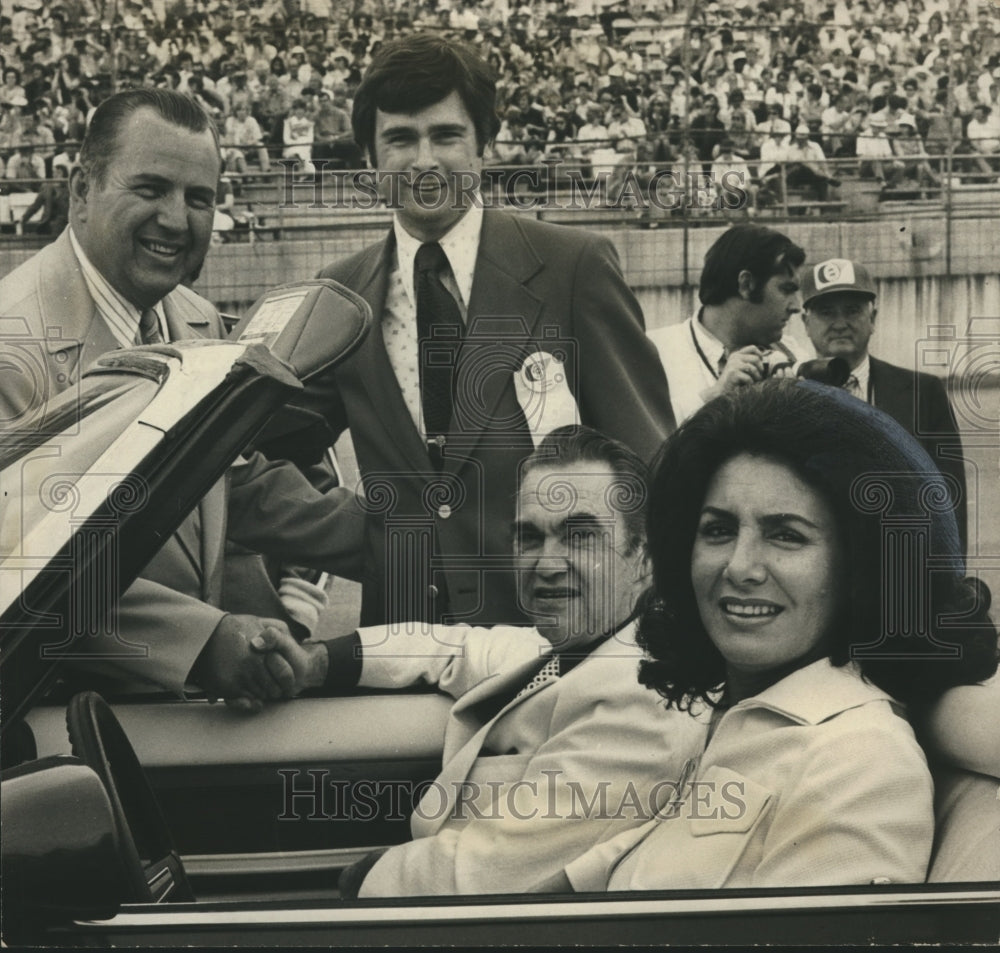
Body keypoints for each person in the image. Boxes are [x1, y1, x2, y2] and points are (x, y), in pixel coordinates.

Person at [531, 381, 997, 892]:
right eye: (718, 530)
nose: (739, 566)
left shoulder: (858, 761)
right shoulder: (732, 714)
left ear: (861, 568)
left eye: (786, 535)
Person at [286, 34, 674, 628]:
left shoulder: (573, 267)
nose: (424, 160)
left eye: (446, 135)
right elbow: (263, 448)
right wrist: (369, 536)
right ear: (370, 158)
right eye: (400, 139)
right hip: (404, 641)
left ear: (484, 146)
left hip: (558, 640)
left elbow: (649, 465)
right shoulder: (341, 295)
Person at [0, 88, 367, 710]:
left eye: (199, 198)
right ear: (82, 189)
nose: (176, 219)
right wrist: (199, 642)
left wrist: (403, 544)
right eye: (151, 189)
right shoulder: (12, 340)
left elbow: (231, 482)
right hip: (48, 718)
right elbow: (16, 560)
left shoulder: (194, 316)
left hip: (176, 717)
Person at [254, 426, 705, 897]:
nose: (547, 564)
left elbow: (489, 869)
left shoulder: (645, 705)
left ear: (645, 560)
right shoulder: (587, 646)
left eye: (580, 537)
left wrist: (364, 880)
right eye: (530, 537)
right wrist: (316, 662)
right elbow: (454, 648)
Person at [799, 257, 967, 548]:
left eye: (852, 311)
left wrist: (950, 571)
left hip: (900, 559)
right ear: (806, 324)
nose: (840, 324)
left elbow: (949, 497)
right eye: (826, 312)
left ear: (873, 318)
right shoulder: (787, 396)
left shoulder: (923, 393)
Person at [647, 224, 806, 425]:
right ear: (746, 285)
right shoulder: (655, 351)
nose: (796, 307)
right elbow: (637, 434)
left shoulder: (795, 355)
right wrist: (713, 398)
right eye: (787, 289)